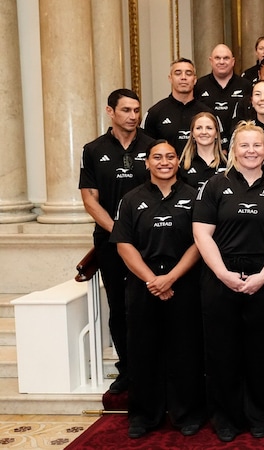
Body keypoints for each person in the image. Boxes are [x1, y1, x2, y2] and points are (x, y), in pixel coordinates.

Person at [193, 121, 264, 443]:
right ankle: (227, 417)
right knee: (223, 352)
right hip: (221, 277)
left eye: (257, 145)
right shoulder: (215, 186)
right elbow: (201, 234)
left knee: (262, 352)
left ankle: (261, 413)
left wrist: (263, 276)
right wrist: (223, 274)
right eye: (244, 145)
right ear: (232, 149)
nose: (251, 151)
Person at [110, 140, 204, 439]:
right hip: (143, 285)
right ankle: (143, 415)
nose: (164, 162)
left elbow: (200, 242)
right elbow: (124, 245)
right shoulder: (130, 198)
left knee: (185, 350)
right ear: (147, 163)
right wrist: (153, 280)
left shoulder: (194, 196)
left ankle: (186, 413)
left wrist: (171, 278)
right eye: (157, 157)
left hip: (184, 282)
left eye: (170, 156)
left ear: (179, 161)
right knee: (142, 350)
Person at [80, 89, 155, 395]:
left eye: (136, 110)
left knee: (149, 303)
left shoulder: (153, 146)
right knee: (119, 306)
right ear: (110, 112)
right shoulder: (93, 149)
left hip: (151, 239)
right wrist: (120, 232)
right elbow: (89, 200)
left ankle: (154, 366)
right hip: (110, 242)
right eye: (126, 110)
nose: (133, 116)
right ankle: (128, 369)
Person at [144, 58, 213, 153]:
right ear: (170, 78)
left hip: (201, 167)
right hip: (167, 167)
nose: (183, 77)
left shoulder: (207, 113)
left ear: (195, 79)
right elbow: (146, 148)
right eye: (178, 73)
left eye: (188, 73)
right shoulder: (155, 112)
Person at [195, 44, 252, 149]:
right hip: (208, 146)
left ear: (233, 61)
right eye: (217, 58)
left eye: (226, 58)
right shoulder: (199, 86)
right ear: (211, 61)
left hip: (239, 146)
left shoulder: (246, 85)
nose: (221, 62)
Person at [179, 111, 227, 190]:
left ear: (216, 134)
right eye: (199, 128)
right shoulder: (183, 165)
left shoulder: (228, 163)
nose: (204, 132)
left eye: (209, 128)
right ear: (193, 134)